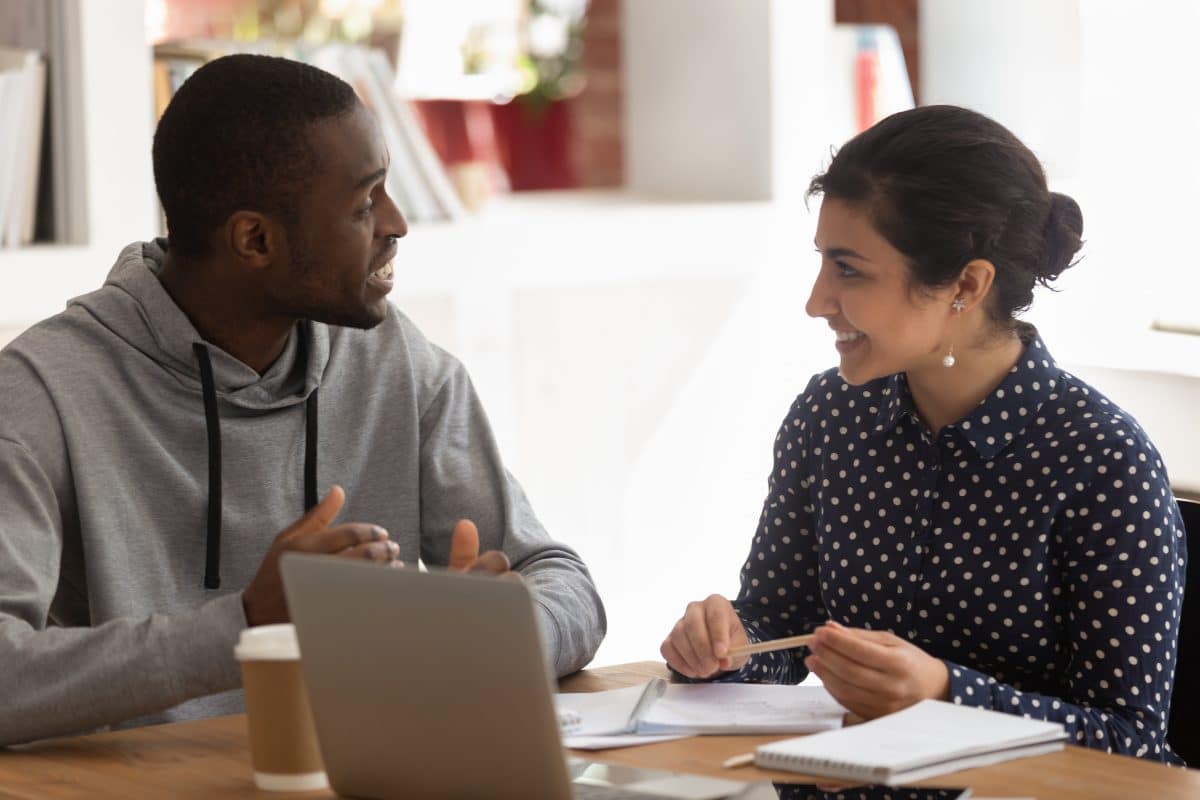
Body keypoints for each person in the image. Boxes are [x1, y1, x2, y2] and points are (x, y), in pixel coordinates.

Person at [0, 54, 605, 746]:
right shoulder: (40, 393)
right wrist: (247, 625)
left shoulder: (399, 365)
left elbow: (564, 583)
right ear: (255, 240)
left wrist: (505, 629)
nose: (398, 223)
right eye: (364, 203)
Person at [661, 105, 1186, 763]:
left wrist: (944, 693)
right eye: (824, 262)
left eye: (848, 269)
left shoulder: (1103, 461)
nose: (816, 300)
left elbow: (1131, 741)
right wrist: (724, 646)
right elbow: (781, 633)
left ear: (967, 285)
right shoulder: (828, 417)